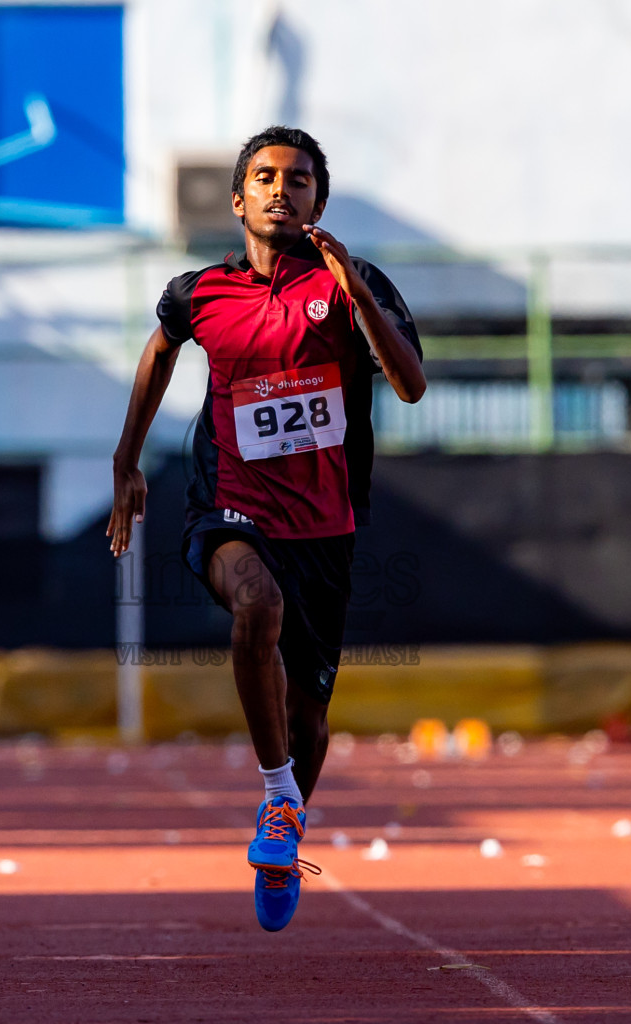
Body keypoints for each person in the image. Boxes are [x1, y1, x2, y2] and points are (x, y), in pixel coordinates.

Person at [107, 126, 424, 931]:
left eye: (301, 180)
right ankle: (278, 795)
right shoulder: (200, 292)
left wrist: (352, 287)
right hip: (230, 501)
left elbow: (411, 386)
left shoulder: (349, 281)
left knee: (311, 712)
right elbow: (158, 351)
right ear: (241, 197)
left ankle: (286, 817)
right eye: (266, 176)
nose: (283, 190)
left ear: (321, 198)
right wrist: (126, 461)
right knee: (257, 605)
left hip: (326, 518)